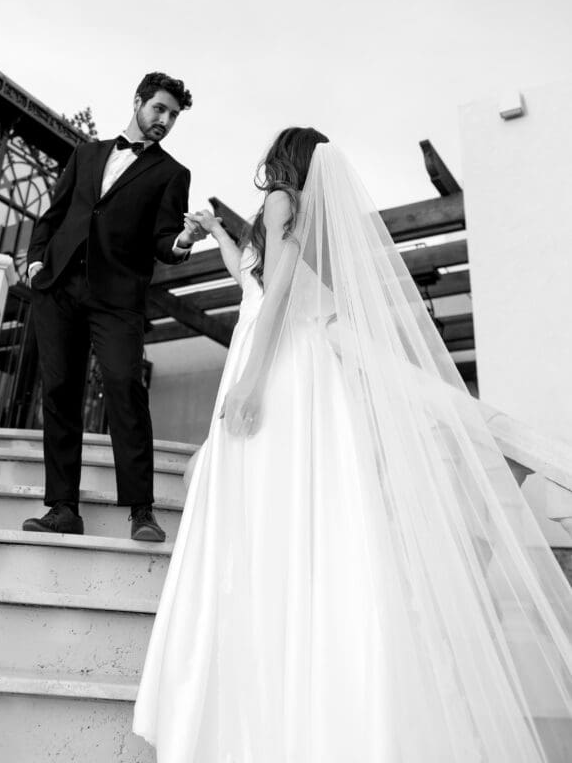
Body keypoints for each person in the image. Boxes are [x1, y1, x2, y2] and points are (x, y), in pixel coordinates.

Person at [133, 128, 572, 761]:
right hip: (291, 362)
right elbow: (254, 283)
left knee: (262, 521)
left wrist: (253, 377)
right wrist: (222, 233)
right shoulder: (293, 213)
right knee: (285, 521)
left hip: (278, 367)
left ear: (284, 157)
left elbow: (279, 293)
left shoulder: (283, 198)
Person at [22, 72, 205, 541]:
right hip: (59, 285)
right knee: (59, 392)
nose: (165, 120)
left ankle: (141, 511)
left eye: (173, 116)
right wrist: (36, 261)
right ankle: (63, 508)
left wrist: (184, 238)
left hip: (117, 298)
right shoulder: (86, 154)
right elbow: (54, 213)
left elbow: (164, 241)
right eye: (159, 109)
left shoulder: (171, 174)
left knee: (125, 386)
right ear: (139, 101)